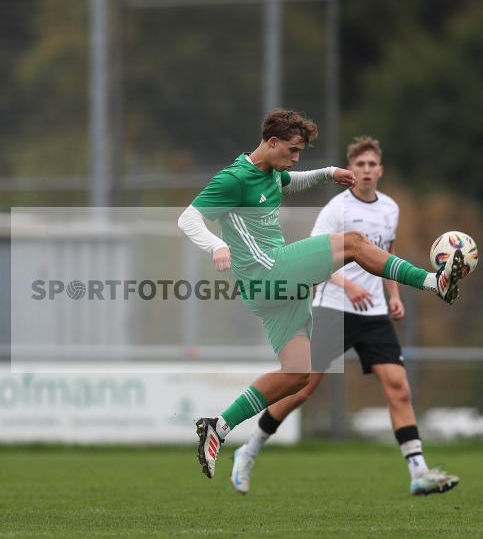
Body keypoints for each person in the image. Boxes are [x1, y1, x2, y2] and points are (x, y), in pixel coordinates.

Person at [178, 110, 465, 480]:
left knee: (297, 375)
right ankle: (432, 283)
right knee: (355, 244)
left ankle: (217, 428)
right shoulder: (234, 179)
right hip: (270, 272)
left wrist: (328, 173)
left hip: (276, 290)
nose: (296, 158)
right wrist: (216, 246)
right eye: (293, 150)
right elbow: (187, 218)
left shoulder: (270, 172)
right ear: (272, 142)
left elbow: (290, 181)